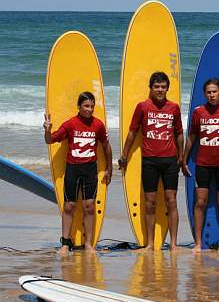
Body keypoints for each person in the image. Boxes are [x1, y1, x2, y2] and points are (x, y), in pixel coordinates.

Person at [119, 71, 184, 251]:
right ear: (151, 88)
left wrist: (181, 156)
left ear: (167, 88)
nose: (160, 90)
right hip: (149, 161)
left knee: (171, 201)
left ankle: (173, 244)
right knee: (150, 203)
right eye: (156, 86)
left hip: (170, 160)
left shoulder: (174, 108)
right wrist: (124, 155)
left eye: (163, 87)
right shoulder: (143, 107)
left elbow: (179, 133)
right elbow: (132, 132)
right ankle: (149, 243)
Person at [44, 91, 113, 254]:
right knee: (69, 206)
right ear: (79, 106)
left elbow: (106, 146)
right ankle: (65, 244)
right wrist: (47, 130)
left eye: (91, 106)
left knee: (89, 207)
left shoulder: (98, 125)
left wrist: (109, 169)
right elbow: (50, 140)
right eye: (86, 106)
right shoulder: (70, 124)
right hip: (73, 169)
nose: (89, 109)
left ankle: (89, 244)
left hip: (90, 169)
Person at [182, 78, 219, 252]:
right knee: (200, 202)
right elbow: (192, 138)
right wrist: (183, 159)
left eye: (214, 91)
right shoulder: (199, 112)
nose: (212, 95)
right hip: (203, 164)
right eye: (208, 92)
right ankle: (198, 243)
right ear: (205, 94)